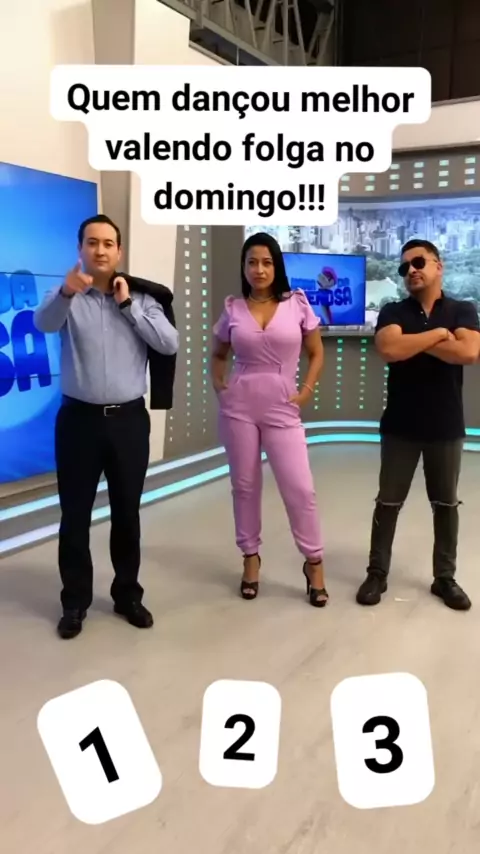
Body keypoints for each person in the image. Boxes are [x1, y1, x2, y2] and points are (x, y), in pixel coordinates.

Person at [34, 214, 179, 639]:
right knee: (74, 516)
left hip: (128, 422)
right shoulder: (65, 295)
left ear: (119, 251)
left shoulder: (142, 297)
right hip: (78, 422)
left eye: (108, 243)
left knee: (126, 514)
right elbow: (43, 323)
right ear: (80, 248)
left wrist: (128, 307)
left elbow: (169, 343)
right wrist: (66, 292)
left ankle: (127, 594)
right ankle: (75, 601)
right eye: (92, 242)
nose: (100, 250)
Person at [356, 239, 480, 611]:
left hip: (446, 425)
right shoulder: (393, 309)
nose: (411, 270)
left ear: (438, 266)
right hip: (400, 426)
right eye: (405, 266)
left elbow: (468, 352)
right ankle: (377, 573)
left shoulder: (462, 309)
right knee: (388, 503)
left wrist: (412, 341)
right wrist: (440, 335)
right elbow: (389, 349)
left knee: (446, 504)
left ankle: (445, 578)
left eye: (419, 262)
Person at [211, 232, 327, 607]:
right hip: (239, 408)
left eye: (266, 262)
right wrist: (220, 386)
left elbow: (316, 352)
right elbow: (218, 354)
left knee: (300, 488)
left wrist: (306, 389)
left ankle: (314, 562)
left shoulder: (297, 304)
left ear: (276, 266)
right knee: (245, 486)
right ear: (243, 267)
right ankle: (250, 558)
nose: (259, 270)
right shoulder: (233, 308)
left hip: (282, 407)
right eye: (251, 262)